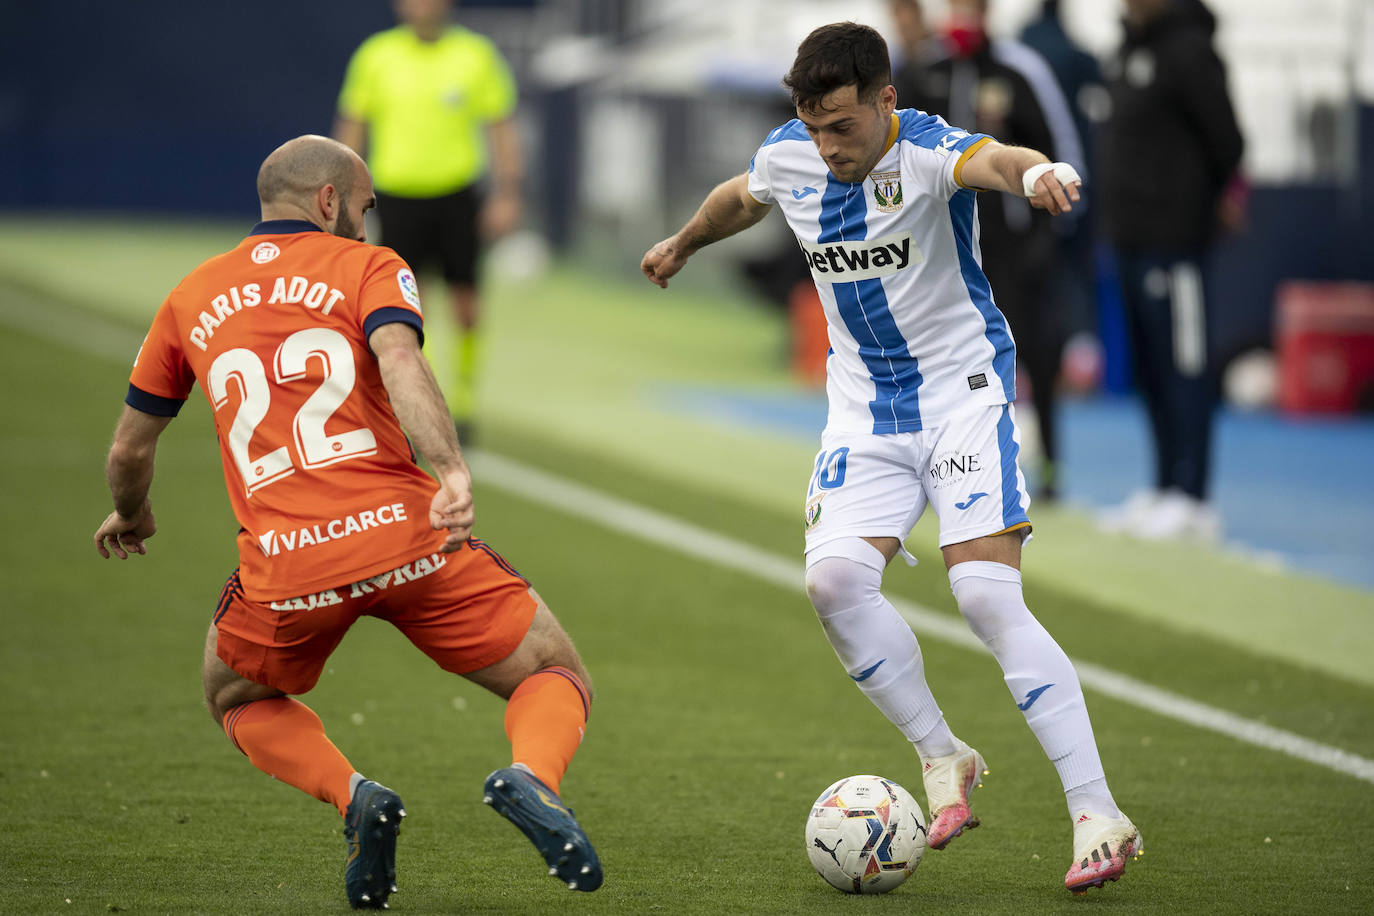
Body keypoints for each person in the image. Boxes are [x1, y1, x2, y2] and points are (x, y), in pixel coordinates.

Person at [641, 22, 1140, 895]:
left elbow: (999, 160)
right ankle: (943, 756)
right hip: (864, 417)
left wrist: (1040, 173)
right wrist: (683, 244)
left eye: (843, 126)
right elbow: (739, 196)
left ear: (886, 101)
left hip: (962, 395)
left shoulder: (930, 151)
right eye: (814, 127)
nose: (828, 148)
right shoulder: (793, 153)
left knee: (983, 591)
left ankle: (1097, 811)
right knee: (833, 586)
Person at [92, 135, 600, 909]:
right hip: (408, 538)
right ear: (330, 201)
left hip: (287, 566)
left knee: (235, 697)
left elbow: (130, 446)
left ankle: (353, 795)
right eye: (365, 207)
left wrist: (132, 512)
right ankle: (531, 778)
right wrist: (452, 471)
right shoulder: (369, 266)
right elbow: (400, 360)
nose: (367, 223)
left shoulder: (190, 296)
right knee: (550, 671)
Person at [894, 0, 1085, 500]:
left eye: (971, 8)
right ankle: (943, 469)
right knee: (942, 357)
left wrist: (1046, 235)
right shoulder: (924, 72)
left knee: (1033, 353)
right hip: (939, 251)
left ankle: (1049, 467)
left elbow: (1060, 152)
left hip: (1014, 248)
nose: (962, 17)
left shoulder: (1020, 71)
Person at [334, 0, 524, 443]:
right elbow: (352, 126)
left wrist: (508, 191)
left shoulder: (475, 55)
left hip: (458, 194)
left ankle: (465, 401)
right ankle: (426, 396)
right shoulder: (376, 55)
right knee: (408, 302)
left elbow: (501, 126)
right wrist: (342, 193)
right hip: (398, 195)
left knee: (466, 302)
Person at [1097, 0, 1244, 540]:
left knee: (1184, 368)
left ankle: (1196, 497)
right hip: (1129, 240)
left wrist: (1197, 204)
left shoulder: (1189, 50)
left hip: (1176, 242)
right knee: (1151, 369)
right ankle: (1163, 487)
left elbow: (1229, 140)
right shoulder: (1125, 51)